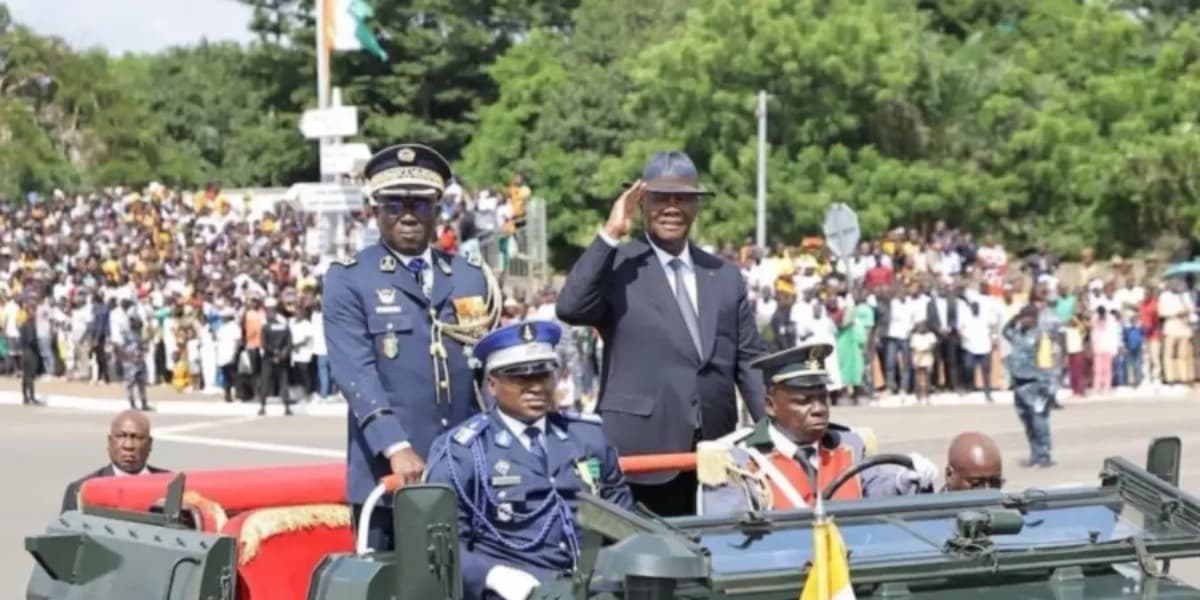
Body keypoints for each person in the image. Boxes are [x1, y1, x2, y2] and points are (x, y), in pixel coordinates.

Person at [555, 151, 766, 517]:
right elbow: (571, 307)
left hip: (715, 454)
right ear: (641, 203)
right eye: (659, 198)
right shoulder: (620, 264)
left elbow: (749, 361)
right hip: (642, 453)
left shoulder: (723, 274)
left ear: (696, 205)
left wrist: (770, 436)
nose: (671, 207)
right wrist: (610, 233)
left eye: (682, 198)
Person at [323, 143, 493, 551]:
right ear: (375, 211)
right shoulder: (350, 279)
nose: (407, 215)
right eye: (393, 204)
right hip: (389, 474)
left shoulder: (470, 277)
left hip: (465, 469)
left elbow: (486, 372)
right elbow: (355, 372)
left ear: (437, 208)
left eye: (419, 203)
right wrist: (396, 446)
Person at [425, 320, 633, 600]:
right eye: (520, 377)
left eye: (543, 374)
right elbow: (442, 547)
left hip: (593, 586)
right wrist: (492, 575)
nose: (536, 387)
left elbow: (623, 519)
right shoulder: (463, 452)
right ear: (493, 384)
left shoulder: (587, 437)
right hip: (518, 591)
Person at [699, 341, 937, 516]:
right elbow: (728, 538)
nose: (818, 409)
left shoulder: (848, 445)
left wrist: (905, 479)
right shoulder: (737, 461)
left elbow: (876, 488)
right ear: (770, 406)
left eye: (823, 398)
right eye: (803, 401)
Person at [60, 410, 167, 512]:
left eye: (137, 437)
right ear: (110, 442)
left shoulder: (170, 486)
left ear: (149, 444)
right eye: (120, 436)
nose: (128, 445)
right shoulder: (82, 490)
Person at [1003, 304, 1056, 468]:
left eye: (1026, 316)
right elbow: (1005, 331)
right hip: (1019, 385)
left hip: (1036, 384)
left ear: (1034, 318)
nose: (1023, 320)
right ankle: (1034, 453)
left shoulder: (1040, 336)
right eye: (1022, 317)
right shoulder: (1018, 334)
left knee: (1039, 422)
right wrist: (1015, 318)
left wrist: (1048, 387)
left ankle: (1044, 454)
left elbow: (1047, 362)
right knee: (1027, 423)